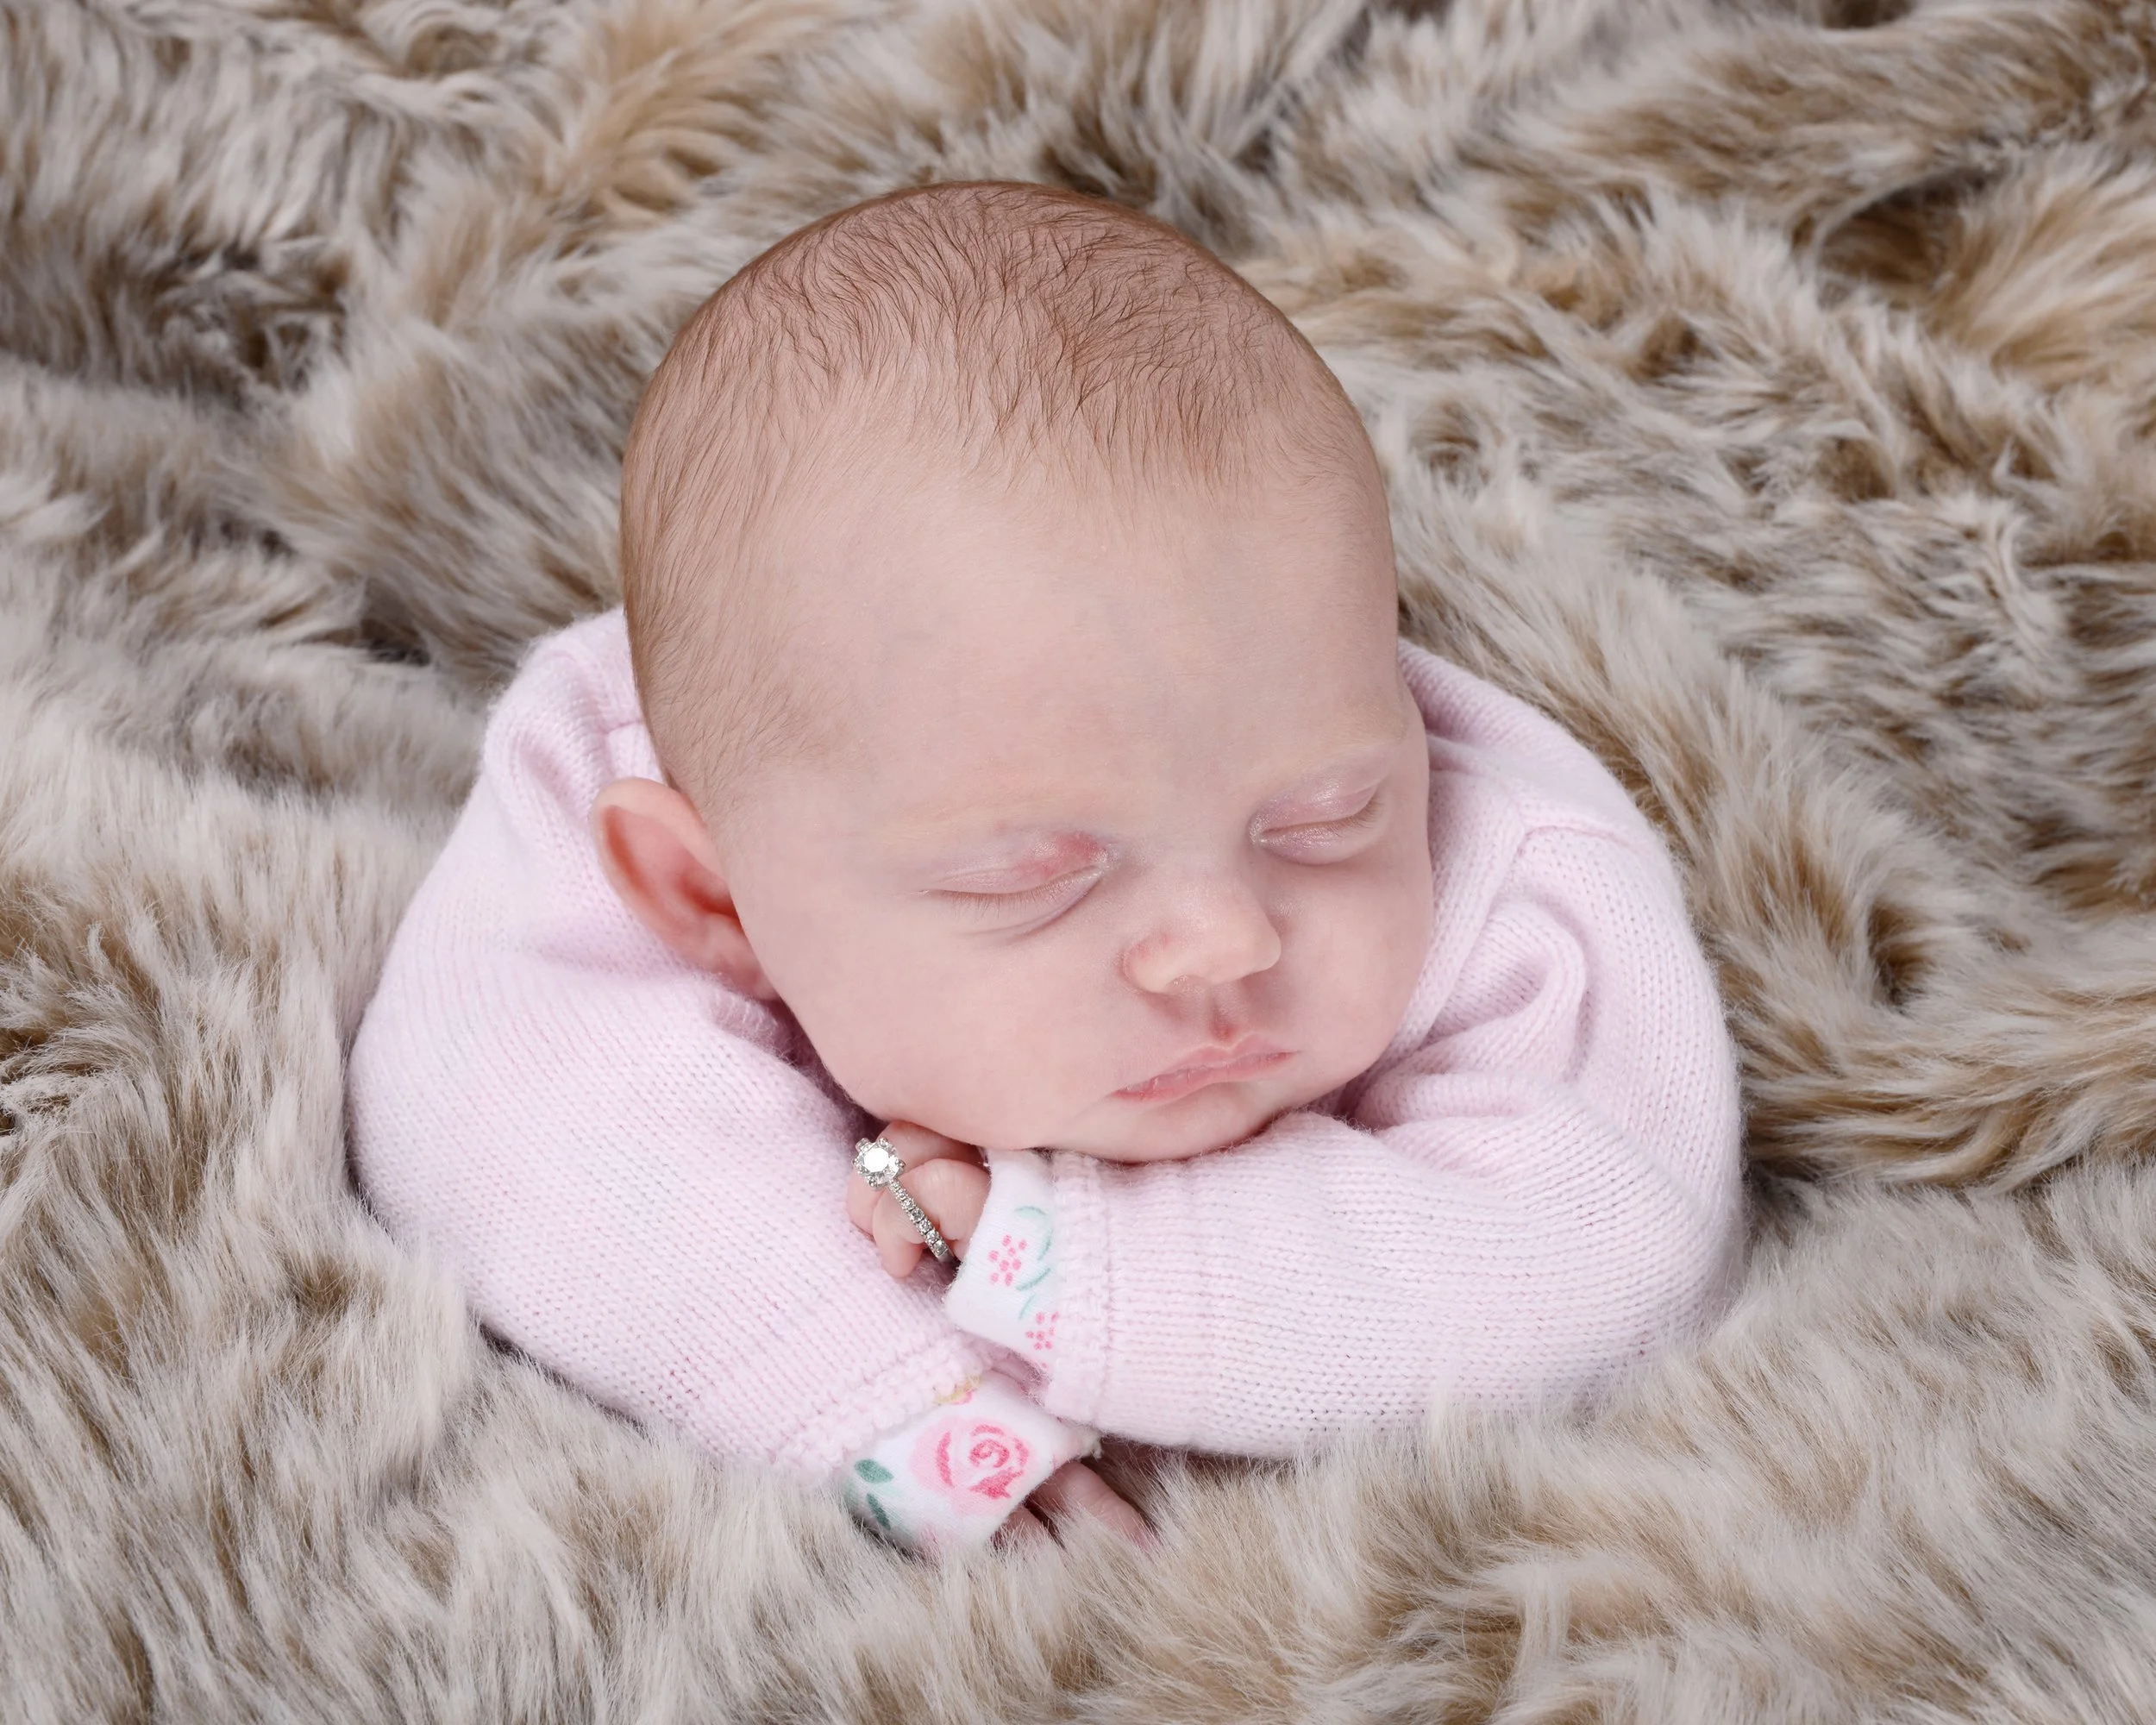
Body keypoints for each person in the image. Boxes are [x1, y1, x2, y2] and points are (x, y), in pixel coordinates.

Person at [345, 182, 1744, 1554]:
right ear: (713, 897)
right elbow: (517, 1122)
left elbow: (1608, 1240)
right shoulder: (642, 778)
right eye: (1033, 880)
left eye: (1320, 822)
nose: (1224, 939)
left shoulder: (1500, 848)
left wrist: (1082, 1264)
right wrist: (905, 1404)